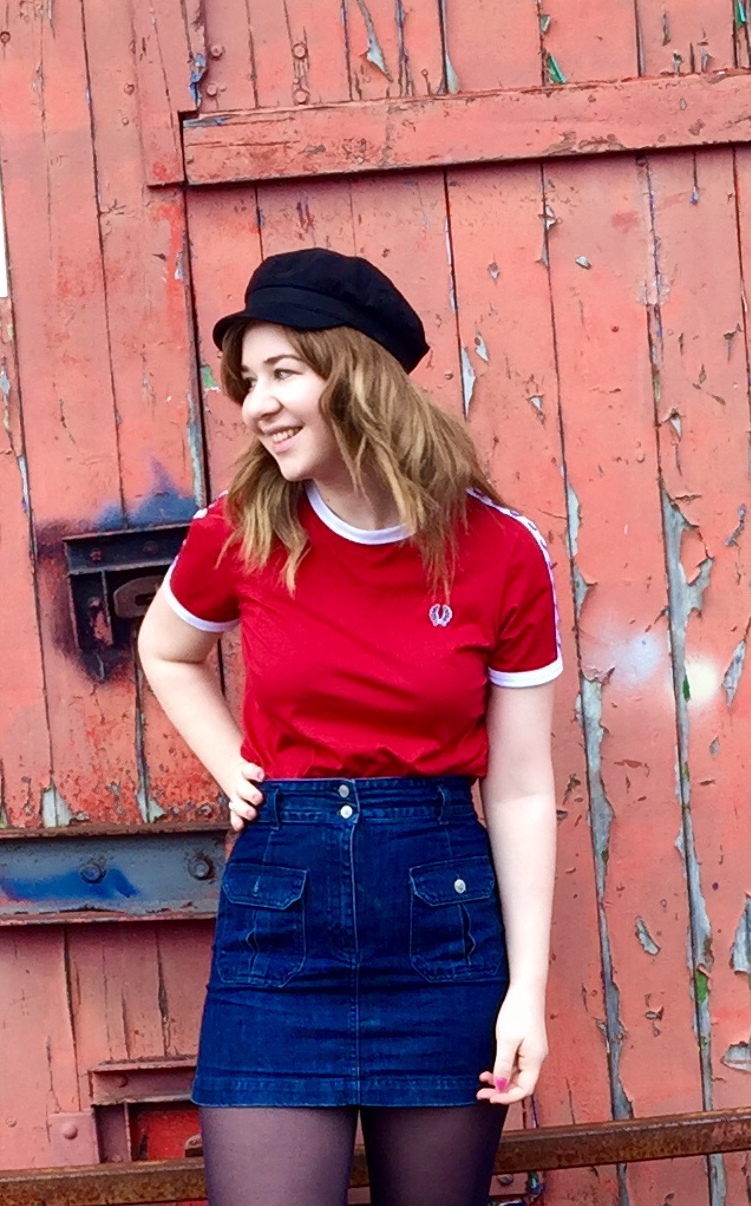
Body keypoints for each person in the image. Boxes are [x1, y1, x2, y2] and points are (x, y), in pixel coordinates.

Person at [137, 247, 560, 1206]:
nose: (257, 405)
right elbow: (166, 650)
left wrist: (524, 993)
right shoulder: (239, 528)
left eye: (283, 372)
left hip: (440, 924)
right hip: (279, 926)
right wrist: (232, 765)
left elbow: (521, 786)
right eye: (248, 382)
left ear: (358, 375)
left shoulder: (499, 550)